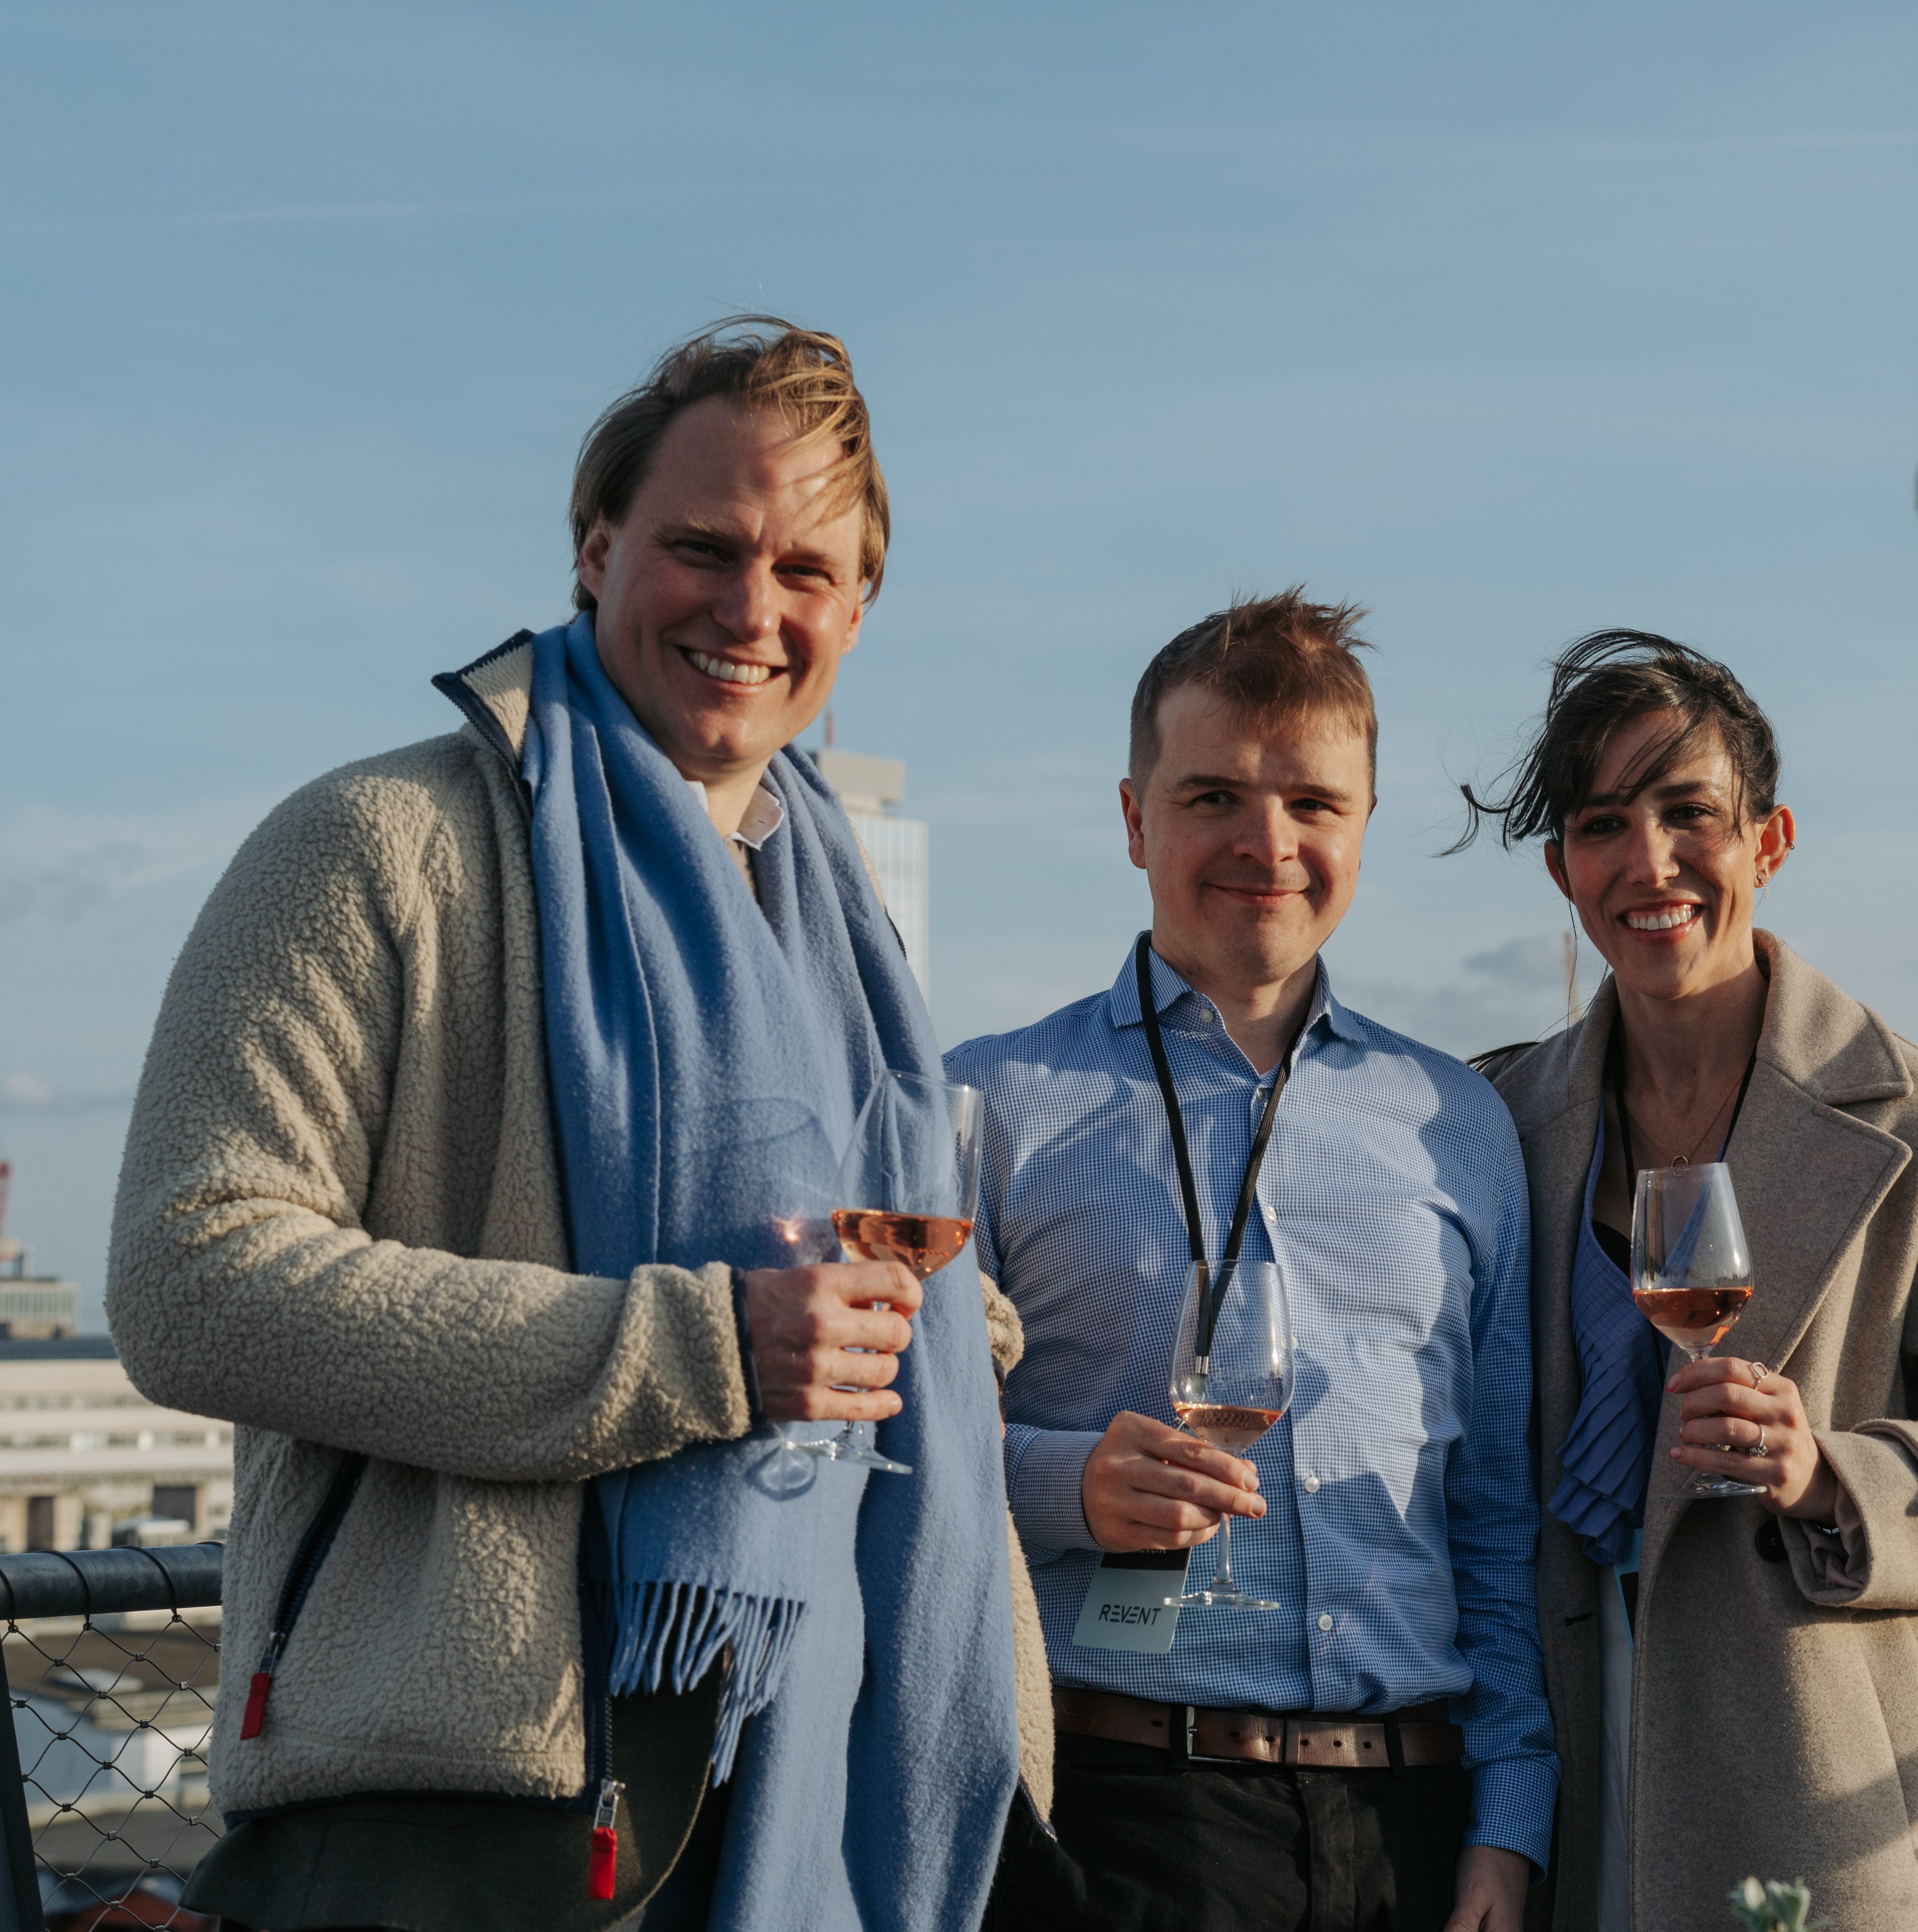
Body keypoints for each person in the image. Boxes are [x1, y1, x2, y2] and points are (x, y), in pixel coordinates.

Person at [105, 317, 1039, 1931]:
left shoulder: (846, 933)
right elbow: (191, 1277)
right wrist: (708, 1349)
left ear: (860, 607)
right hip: (464, 1811)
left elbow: (829, 1296)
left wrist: (950, 1327)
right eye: (704, 548)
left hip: (820, 1779)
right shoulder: (377, 845)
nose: (752, 610)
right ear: (599, 550)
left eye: (807, 571)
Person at [1457, 631, 1918, 1932]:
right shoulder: (1498, 1125)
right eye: (1603, 824)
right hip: (1567, 1772)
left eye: (1689, 813)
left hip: (1821, 1787)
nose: (1650, 862)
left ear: (1771, 841)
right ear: (1563, 870)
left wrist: (1828, 1476)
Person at [947, 592, 1554, 1932]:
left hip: (1416, 1831)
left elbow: (1496, 1517)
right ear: (1133, 820)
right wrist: (1064, 1483)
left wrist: (1510, 1824)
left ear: (1364, 826)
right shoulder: (986, 1108)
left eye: (1312, 805)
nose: (1266, 844)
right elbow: (897, 1451)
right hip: (1113, 1822)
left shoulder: (1461, 1124)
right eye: (1214, 795)